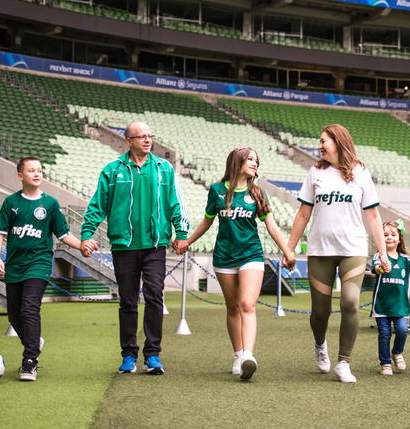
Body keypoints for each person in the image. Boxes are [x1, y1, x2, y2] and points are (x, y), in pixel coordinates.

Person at [81, 121, 189, 375]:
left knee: (154, 296)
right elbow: (97, 206)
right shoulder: (111, 170)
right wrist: (87, 235)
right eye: (141, 137)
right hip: (123, 246)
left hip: (155, 245)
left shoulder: (164, 169)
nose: (147, 140)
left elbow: (176, 203)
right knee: (128, 301)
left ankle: (152, 355)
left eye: (150, 136)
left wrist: (181, 232)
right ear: (128, 141)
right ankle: (129, 355)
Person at [288, 124, 390, 384]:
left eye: (323, 141)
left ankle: (343, 362)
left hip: (353, 250)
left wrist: (384, 252)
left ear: (338, 141)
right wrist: (289, 248)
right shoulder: (315, 172)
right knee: (320, 313)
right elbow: (303, 213)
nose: (319, 146)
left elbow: (374, 216)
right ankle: (320, 343)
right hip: (320, 251)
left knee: (350, 302)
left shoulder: (361, 172)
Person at [184, 147, 297, 380]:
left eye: (257, 160)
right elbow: (206, 222)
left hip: (251, 255)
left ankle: (248, 355)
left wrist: (288, 252)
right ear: (238, 161)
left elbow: (272, 226)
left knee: (247, 304)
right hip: (224, 257)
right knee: (233, 307)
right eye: (250, 159)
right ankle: (237, 354)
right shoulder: (216, 190)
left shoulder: (258, 193)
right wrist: (187, 241)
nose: (255, 163)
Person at [0, 156, 84, 381]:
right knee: (14, 315)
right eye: (31, 170)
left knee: (29, 309)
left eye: (40, 170)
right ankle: (34, 342)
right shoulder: (10, 203)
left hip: (39, 264)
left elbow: (63, 234)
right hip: (14, 266)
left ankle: (30, 361)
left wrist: (82, 245)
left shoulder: (50, 204)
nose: (37, 174)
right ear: (20, 175)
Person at [370, 220, 410, 375]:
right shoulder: (378, 256)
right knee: (384, 334)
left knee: (402, 330)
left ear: (399, 239)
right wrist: (382, 268)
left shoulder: (405, 259)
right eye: (385, 235)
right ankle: (385, 363)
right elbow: (375, 269)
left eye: (393, 235)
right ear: (380, 238)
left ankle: (397, 352)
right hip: (381, 306)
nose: (389, 238)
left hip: (401, 306)